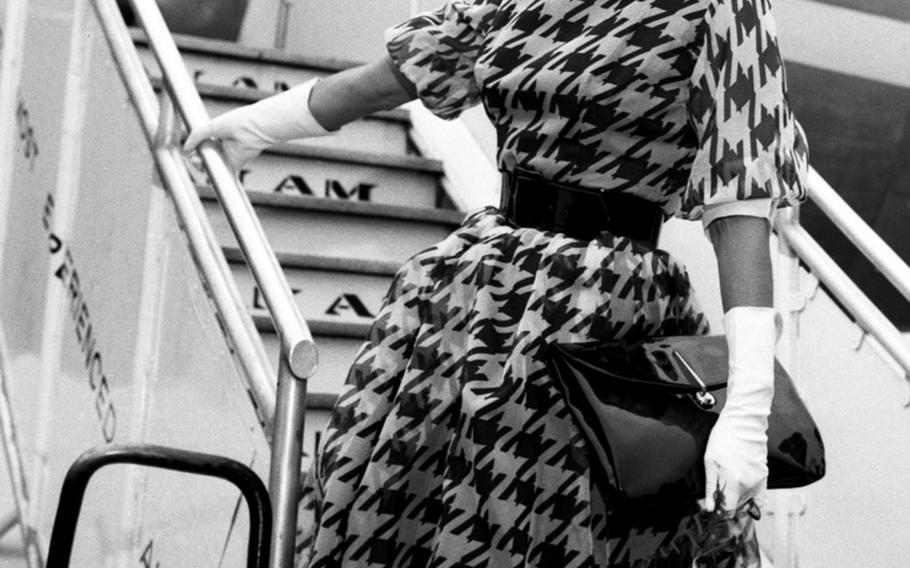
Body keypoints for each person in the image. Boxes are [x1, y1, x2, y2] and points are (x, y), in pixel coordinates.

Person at [185, 0, 809, 565]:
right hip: (475, 292)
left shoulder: (720, 8)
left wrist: (748, 411)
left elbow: (740, 211)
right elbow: (392, 77)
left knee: (546, 520)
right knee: (403, 500)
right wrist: (257, 125)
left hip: (604, 305)